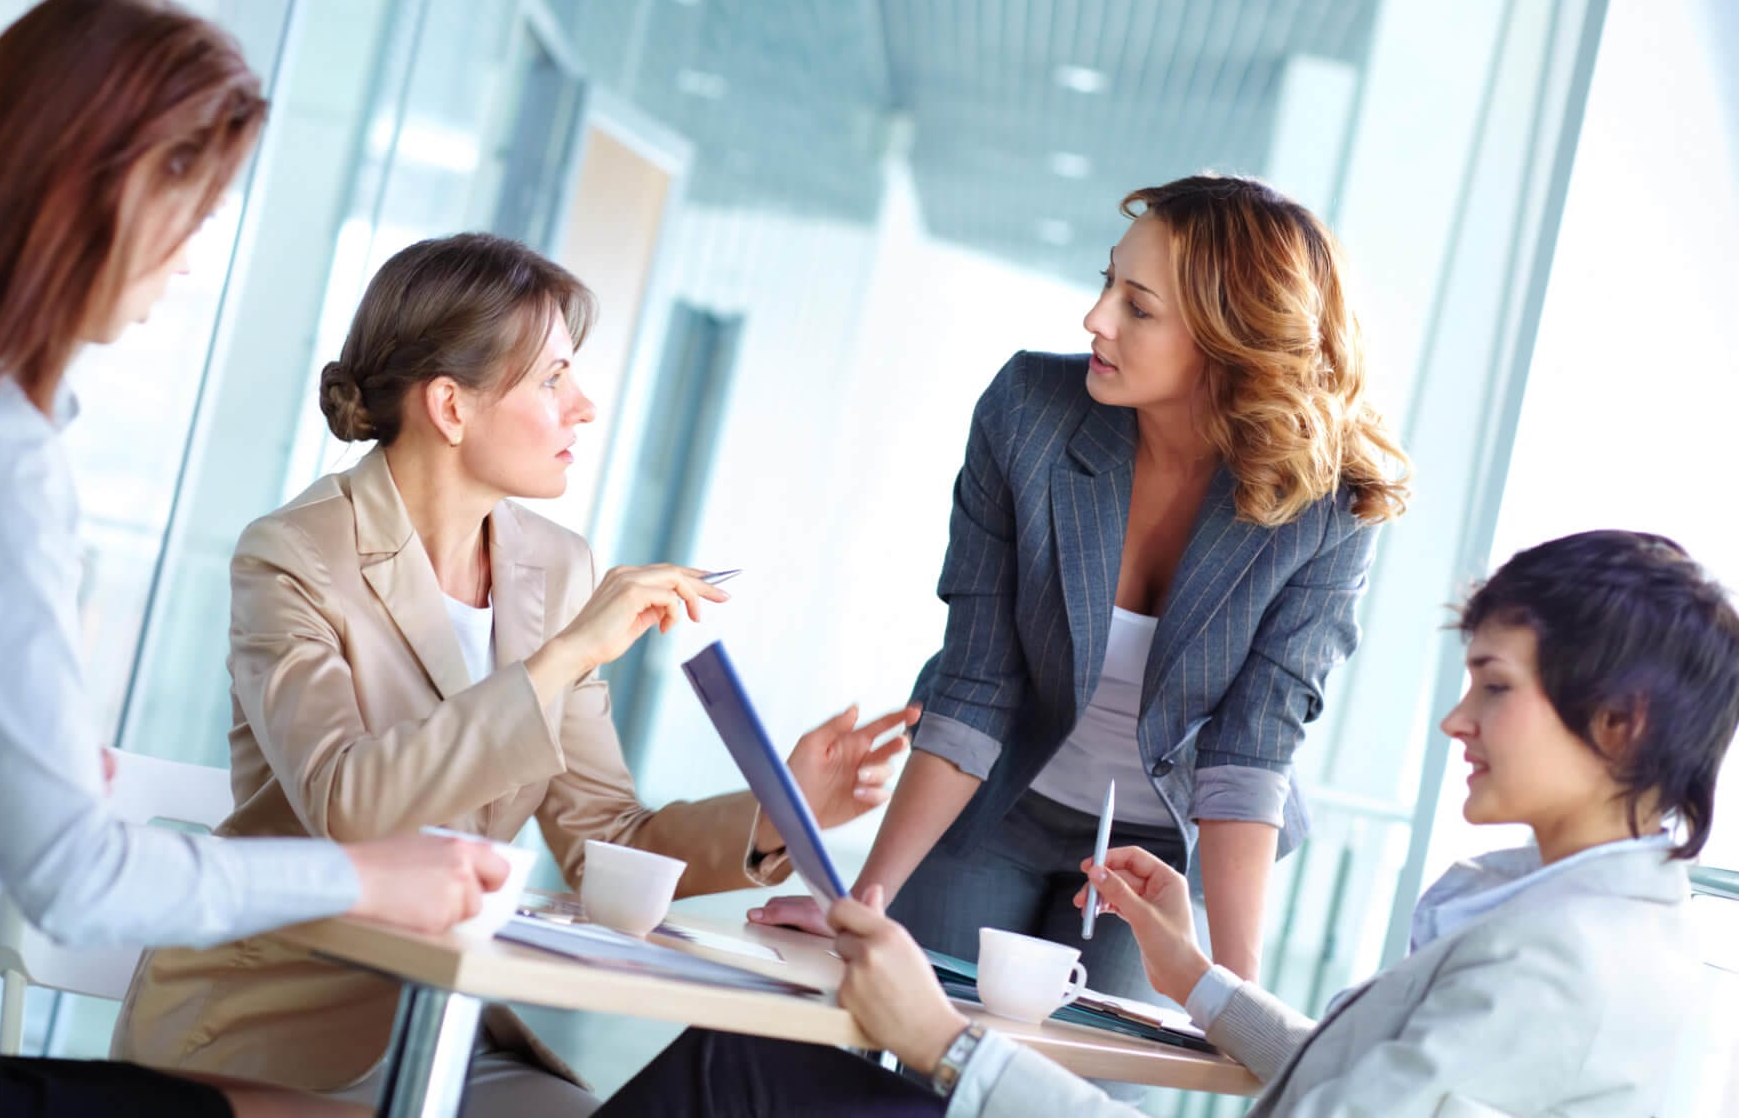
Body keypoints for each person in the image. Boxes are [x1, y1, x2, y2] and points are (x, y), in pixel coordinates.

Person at [0, 0, 507, 1118]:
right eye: (191, 209)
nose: (188, 260)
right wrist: (368, 875)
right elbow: (77, 882)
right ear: (104, 191)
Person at [114, 231, 919, 1112]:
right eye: (552, 379)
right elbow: (349, 804)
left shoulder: (555, 565)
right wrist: (566, 654)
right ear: (451, 408)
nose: (585, 407)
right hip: (272, 1022)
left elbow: (604, 839)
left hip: (439, 1023)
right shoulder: (295, 556)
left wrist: (773, 814)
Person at [603, 529, 1739, 1116]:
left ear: (1620, 723)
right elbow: (1362, 1091)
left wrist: (948, 1040)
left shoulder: (1563, 966)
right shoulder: (1594, 931)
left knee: (746, 1072)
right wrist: (1194, 975)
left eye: (1494, 684)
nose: (1456, 716)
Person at [756, 175, 1409, 1015]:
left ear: (1231, 340)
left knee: (1083, 1092)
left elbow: (1250, 755)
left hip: (1162, 847)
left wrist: (1237, 998)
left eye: (1138, 306)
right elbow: (977, 679)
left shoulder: (1328, 504)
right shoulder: (1031, 411)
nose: (1095, 318)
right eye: (1109, 284)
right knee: (918, 1046)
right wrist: (862, 907)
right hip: (1000, 796)